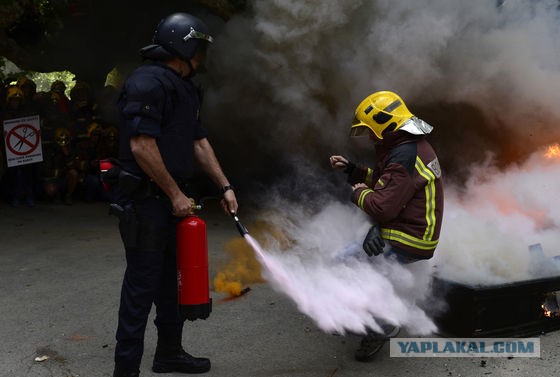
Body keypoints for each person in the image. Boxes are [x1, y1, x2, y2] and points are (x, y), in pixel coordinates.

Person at [112, 12, 238, 377]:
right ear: (184, 45)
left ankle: (168, 354)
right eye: (199, 47)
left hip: (171, 205)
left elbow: (198, 142)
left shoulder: (183, 87)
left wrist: (224, 186)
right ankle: (126, 371)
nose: (203, 56)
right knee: (140, 290)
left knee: (172, 285)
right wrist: (174, 194)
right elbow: (141, 146)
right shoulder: (147, 82)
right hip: (146, 204)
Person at [329, 90, 444, 362]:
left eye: (372, 131)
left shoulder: (404, 155)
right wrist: (353, 170)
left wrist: (357, 192)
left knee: (346, 265)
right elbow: (390, 185)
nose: (370, 137)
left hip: (410, 236)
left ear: (386, 126)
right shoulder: (406, 145)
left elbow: (383, 206)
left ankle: (381, 326)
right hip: (408, 227)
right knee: (356, 264)